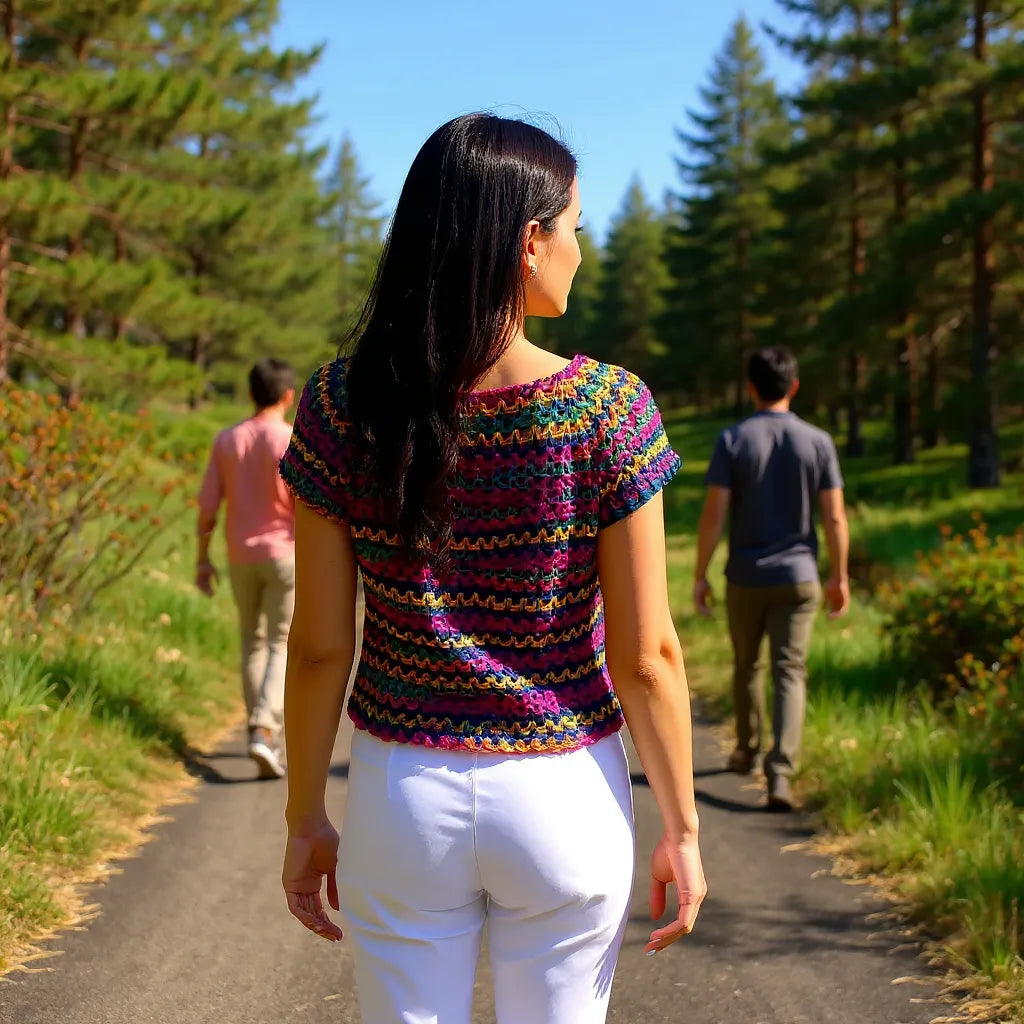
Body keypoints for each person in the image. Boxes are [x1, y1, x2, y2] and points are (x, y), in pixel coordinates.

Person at [277, 112, 706, 1023]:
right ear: (528, 241)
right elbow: (648, 657)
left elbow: (318, 648)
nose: (581, 251)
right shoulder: (608, 409)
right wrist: (683, 825)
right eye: (575, 228)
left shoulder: (337, 404)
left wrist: (304, 815)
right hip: (565, 792)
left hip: (400, 796)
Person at [693, 347, 850, 810]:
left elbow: (714, 514)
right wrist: (838, 576)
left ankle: (745, 749)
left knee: (747, 665)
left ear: (751, 388)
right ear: (794, 387)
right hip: (800, 577)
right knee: (790, 670)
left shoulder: (733, 439)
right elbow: (835, 518)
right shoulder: (818, 441)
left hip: (745, 576)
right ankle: (780, 773)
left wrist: (700, 574)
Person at [196, 358, 297, 780]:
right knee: (279, 641)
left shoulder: (227, 440)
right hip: (285, 554)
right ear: (288, 395)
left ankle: (261, 731)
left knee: (251, 642)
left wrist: (202, 558)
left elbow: (206, 507)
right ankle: (264, 728)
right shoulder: (290, 439)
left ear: (251, 392)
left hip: (240, 555)